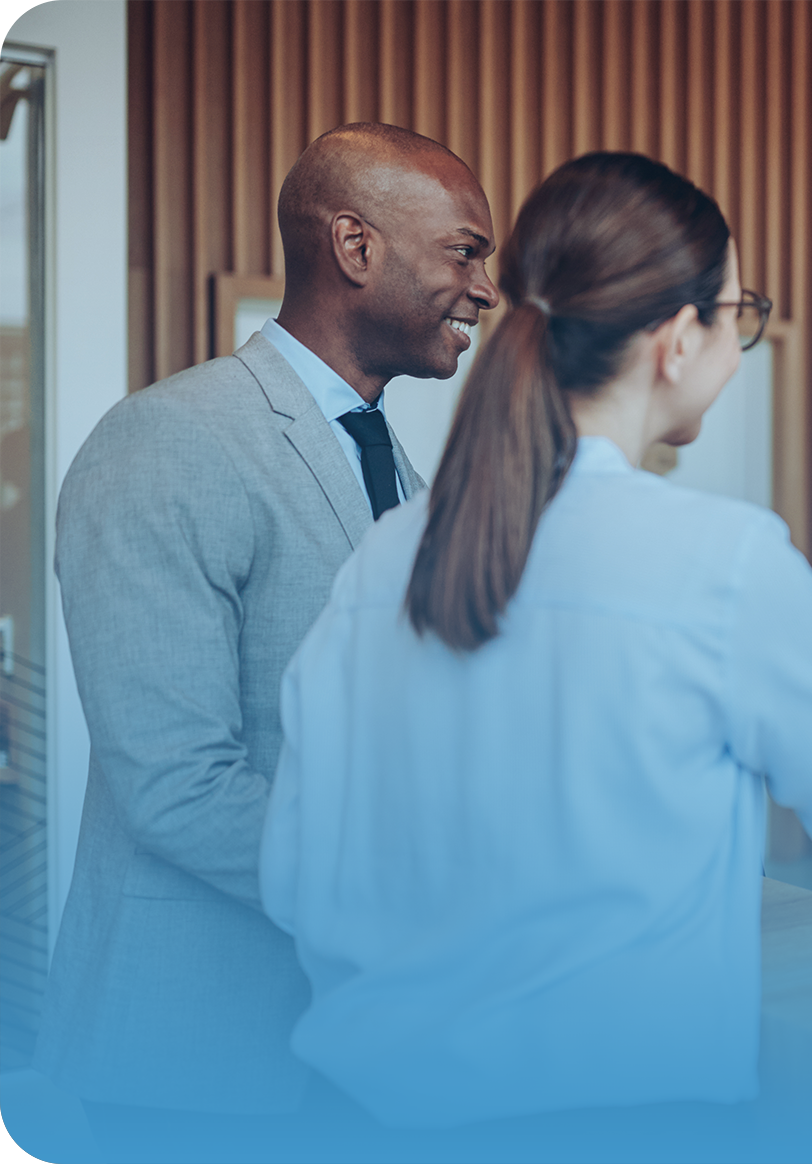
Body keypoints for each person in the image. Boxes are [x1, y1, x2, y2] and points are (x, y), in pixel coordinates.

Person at [258, 151, 812, 1134]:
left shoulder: (383, 559)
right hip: (602, 1121)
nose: (741, 348)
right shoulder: (725, 559)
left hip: (354, 1116)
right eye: (740, 316)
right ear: (676, 339)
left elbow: (290, 875)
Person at [33, 122, 499, 1153]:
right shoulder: (168, 442)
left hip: (351, 1042)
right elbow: (176, 785)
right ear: (356, 246)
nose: (485, 288)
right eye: (467, 250)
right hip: (194, 1050)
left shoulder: (401, 476)